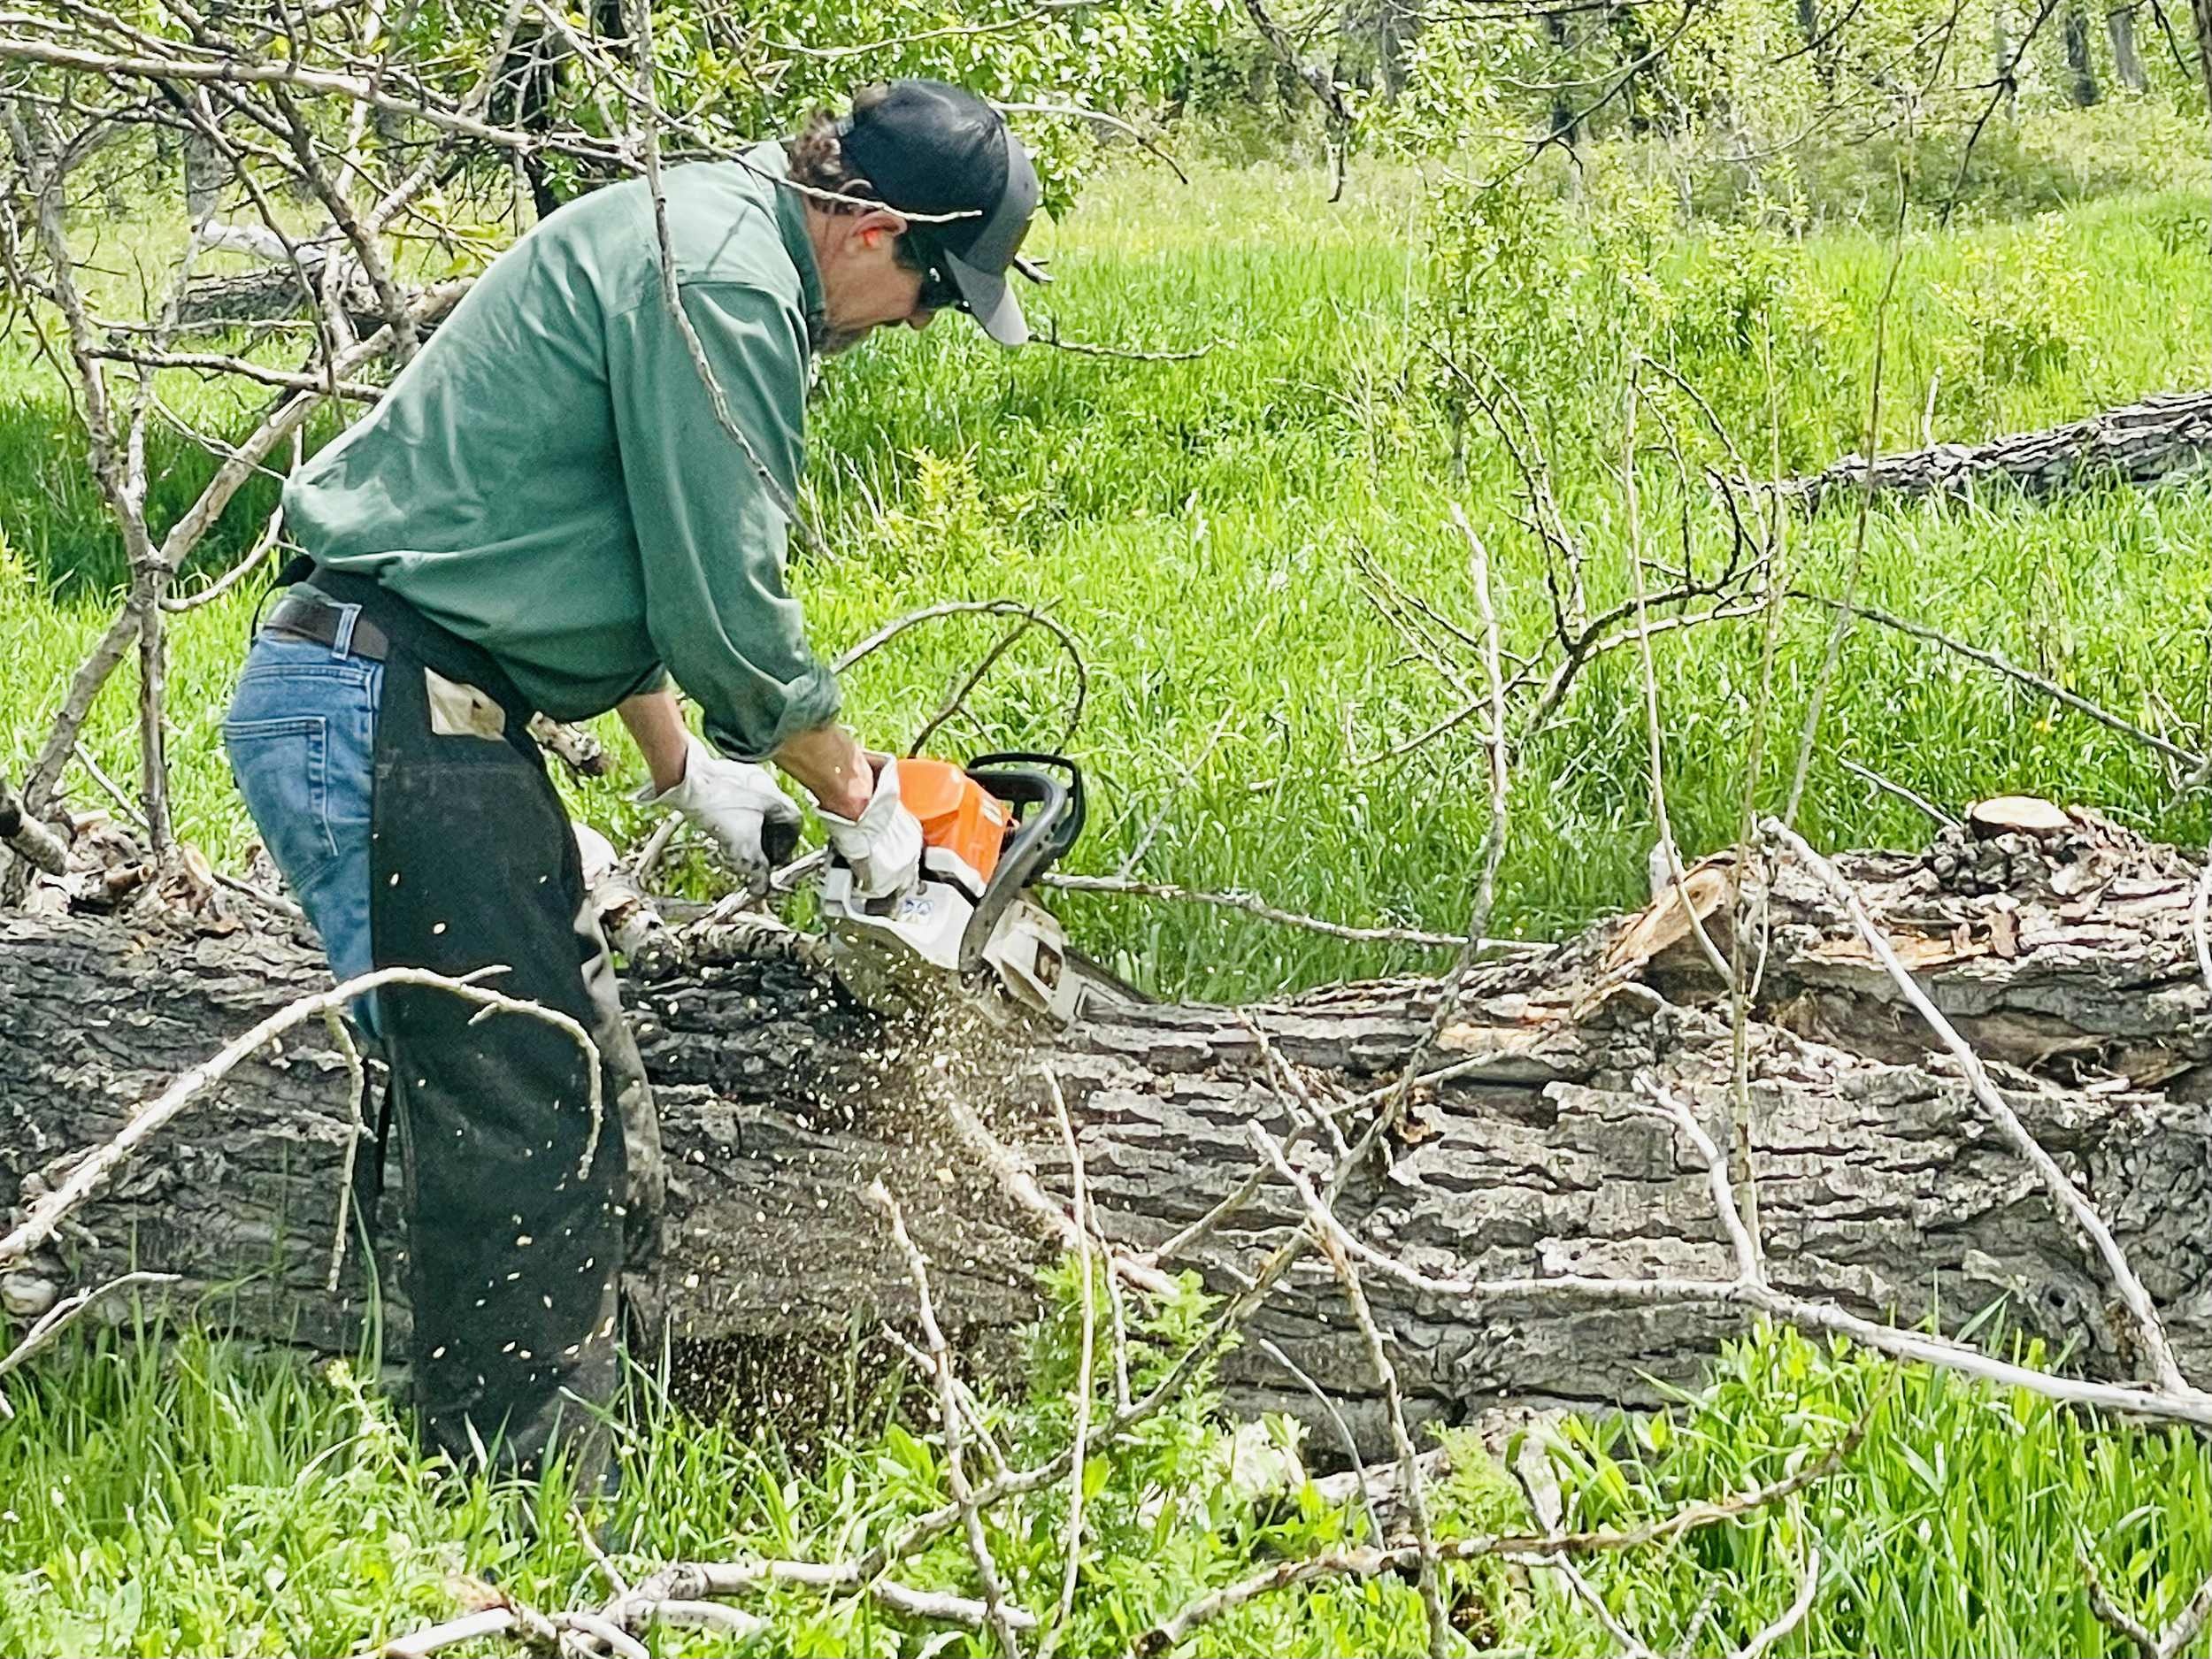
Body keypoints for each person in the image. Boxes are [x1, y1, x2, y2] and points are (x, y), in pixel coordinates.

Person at [221, 79, 1042, 1479]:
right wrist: (867, 804)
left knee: (580, 1085)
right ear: (874, 229)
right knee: (518, 1117)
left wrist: (688, 770)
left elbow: (602, 537)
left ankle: (594, 1462)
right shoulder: (724, 280)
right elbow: (726, 603)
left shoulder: (708, 234)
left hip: (424, 697)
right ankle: (517, 1515)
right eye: (930, 292)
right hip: (382, 699)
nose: (918, 324)